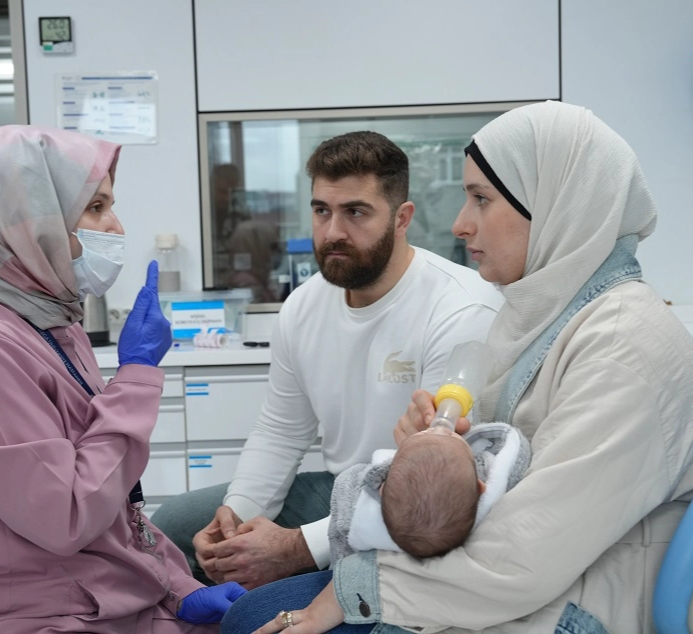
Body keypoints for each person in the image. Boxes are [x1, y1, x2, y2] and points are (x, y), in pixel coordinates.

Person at [221, 101, 693, 634]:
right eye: (321, 210)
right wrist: (445, 445)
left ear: (555, 204)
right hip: (530, 572)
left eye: (480, 199)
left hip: (579, 602)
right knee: (248, 609)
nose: (462, 225)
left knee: (253, 618)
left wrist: (352, 589)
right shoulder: (549, 318)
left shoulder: (627, 348)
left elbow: (527, 551)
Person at [0, 125, 245, 634]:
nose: (115, 227)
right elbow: (68, 513)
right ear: (28, 222)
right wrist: (136, 375)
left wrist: (180, 589)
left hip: (87, 594)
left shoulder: (49, 323)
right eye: (94, 209)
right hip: (16, 616)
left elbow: (110, 502)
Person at [150, 131, 504, 589]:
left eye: (355, 212)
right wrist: (236, 515)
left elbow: (430, 483)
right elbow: (280, 432)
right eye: (322, 211)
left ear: (402, 218)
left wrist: (299, 547)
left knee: (262, 598)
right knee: (176, 526)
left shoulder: (460, 309)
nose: (333, 231)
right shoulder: (303, 307)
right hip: (341, 489)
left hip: (424, 507)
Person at [328, 422, 530, 562]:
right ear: (479, 488)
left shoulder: (363, 526)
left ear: (382, 487)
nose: (439, 428)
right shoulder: (491, 523)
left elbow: (340, 546)